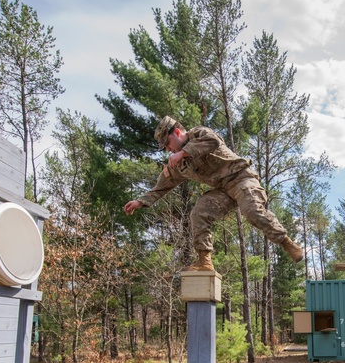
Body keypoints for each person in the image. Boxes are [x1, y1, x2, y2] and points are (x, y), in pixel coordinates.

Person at [124, 116, 304, 271]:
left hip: (241, 178)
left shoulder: (200, 133)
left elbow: (214, 141)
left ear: (177, 133)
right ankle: (205, 261)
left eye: (168, 144)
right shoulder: (179, 164)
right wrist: (140, 201)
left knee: (251, 211)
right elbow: (164, 184)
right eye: (164, 148)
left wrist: (184, 153)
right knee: (199, 213)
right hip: (222, 191)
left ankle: (285, 241)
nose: (168, 149)